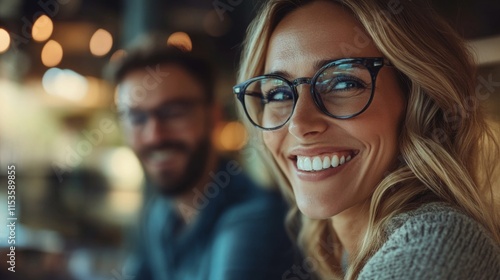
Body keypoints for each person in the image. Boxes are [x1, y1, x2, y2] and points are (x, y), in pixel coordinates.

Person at [234, 0, 500, 279]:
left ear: (417, 100)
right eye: (278, 94)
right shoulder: (351, 253)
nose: (298, 125)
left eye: (343, 83)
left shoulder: (436, 245)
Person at [111, 42, 296, 280]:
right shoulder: (159, 214)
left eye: (173, 112)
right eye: (136, 117)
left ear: (213, 117)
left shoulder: (254, 219)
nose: (154, 135)